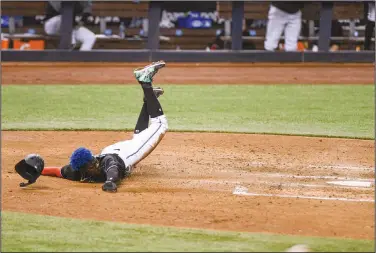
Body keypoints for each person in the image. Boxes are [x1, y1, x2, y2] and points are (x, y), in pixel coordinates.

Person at [15, 61, 168, 193]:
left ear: (92, 161)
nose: (90, 170)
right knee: (139, 138)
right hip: (116, 150)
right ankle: (149, 100)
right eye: (85, 169)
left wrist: (111, 182)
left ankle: (145, 82)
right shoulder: (76, 171)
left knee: (160, 124)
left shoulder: (108, 162)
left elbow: (112, 171)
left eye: (90, 166)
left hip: (119, 154)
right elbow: (57, 171)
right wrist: (37, 171)